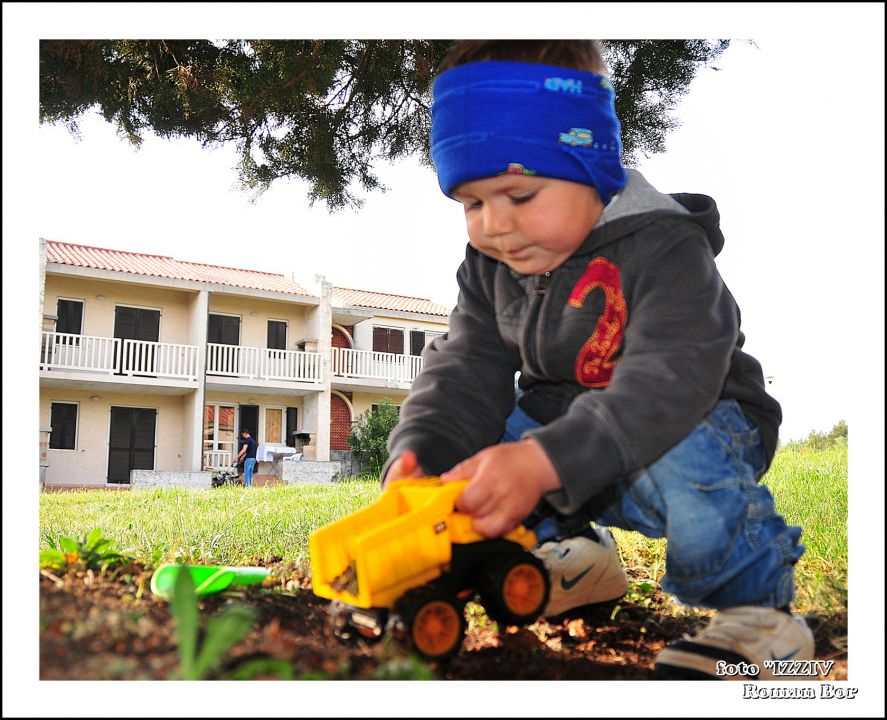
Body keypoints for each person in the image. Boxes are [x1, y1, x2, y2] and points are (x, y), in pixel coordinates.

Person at [382, 40, 813, 680]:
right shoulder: (491, 267)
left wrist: (541, 461)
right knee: (481, 462)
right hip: (567, 434)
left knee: (680, 455)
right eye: (471, 203)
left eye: (519, 196)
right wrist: (424, 454)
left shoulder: (665, 247)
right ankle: (574, 558)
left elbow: (671, 379)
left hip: (694, 421)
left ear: (590, 163)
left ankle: (761, 613)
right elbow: (465, 369)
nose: (494, 225)